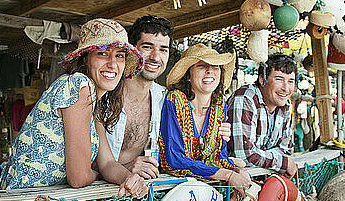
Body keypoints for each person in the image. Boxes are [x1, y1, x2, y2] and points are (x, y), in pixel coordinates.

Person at [0, 18, 148, 199]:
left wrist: (130, 178)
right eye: (102, 53)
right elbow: (79, 178)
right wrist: (96, 174)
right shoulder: (78, 85)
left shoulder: (94, 103)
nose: (112, 63)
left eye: (120, 55)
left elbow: (107, 163)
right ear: (85, 59)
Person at [106, 16, 231, 180]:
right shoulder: (105, 95)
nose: (155, 57)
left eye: (163, 49)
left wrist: (217, 131)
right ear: (132, 49)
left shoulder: (163, 97)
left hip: (141, 193)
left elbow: (187, 135)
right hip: (92, 194)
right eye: (147, 47)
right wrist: (124, 169)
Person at [159, 43, 251, 191]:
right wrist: (228, 175)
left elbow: (219, 157)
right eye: (201, 66)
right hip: (169, 191)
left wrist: (237, 171)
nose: (209, 71)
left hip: (206, 190)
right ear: (188, 75)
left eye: (215, 67)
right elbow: (174, 160)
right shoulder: (175, 100)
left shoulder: (219, 105)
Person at [227, 54, 298, 178]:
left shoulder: (285, 104)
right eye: (279, 79)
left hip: (261, 179)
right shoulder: (245, 98)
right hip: (231, 184)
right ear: (262, 79)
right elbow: (244, 157)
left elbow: (286, 149)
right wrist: (282, 162)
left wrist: (260, 156)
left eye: (290, 81)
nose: (285, 88)